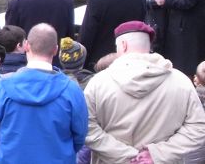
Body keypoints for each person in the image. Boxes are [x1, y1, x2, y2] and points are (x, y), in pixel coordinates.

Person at [84, 21, 205, 163]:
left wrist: (127, 155)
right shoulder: (181, 81)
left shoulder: (98, 83)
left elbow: (86, 128)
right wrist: (157, 154)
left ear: (123, 45)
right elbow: (198, 127)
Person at [0, 23, 88, 163]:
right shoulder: (71, 90)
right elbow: (80, 136)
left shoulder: (2, 87)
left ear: (27, 45)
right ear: (55, 50)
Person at [155, 0, 205, 77]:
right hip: (178, 24)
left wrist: (165, 0)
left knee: (185, 60)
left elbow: (186, 3)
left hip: (187, 27)